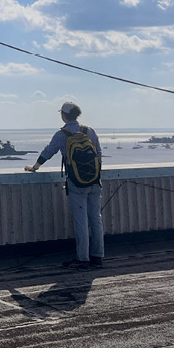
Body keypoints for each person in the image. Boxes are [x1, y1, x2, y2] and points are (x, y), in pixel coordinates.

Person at [25, 102, 105, 270]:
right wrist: (94, 175)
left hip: (76, 183)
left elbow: (48, 152)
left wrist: (35, 167)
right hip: (94, 181)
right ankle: (98, 257)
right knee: (96, 219)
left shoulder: (62, 134)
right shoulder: (89, 130)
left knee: (81, 221)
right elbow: (98, 153)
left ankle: (82, 259)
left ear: (64, 116)